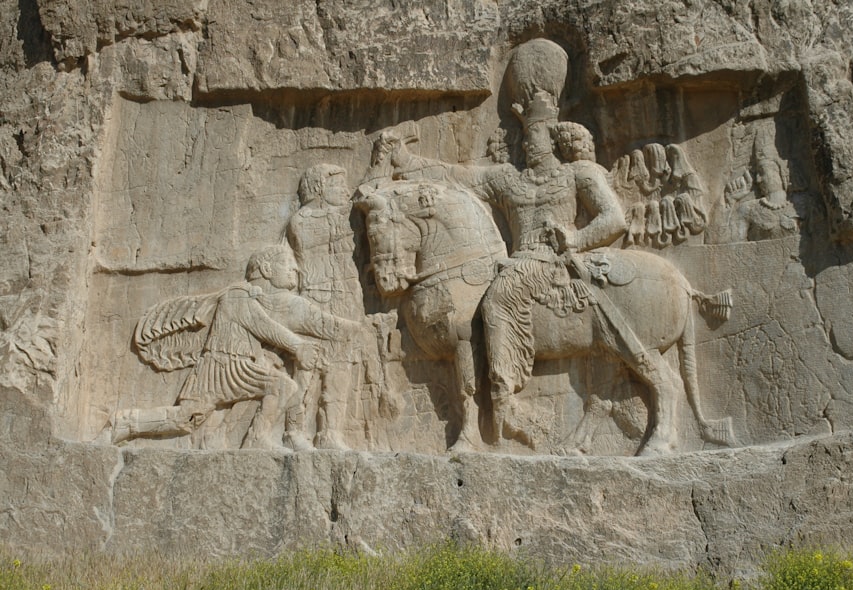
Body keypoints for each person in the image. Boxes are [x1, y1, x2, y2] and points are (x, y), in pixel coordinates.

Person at [379, 89, 627, 439]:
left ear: (554, 138)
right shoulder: (509, 179)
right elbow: (457, 176)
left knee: (497, 299)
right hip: (518, 261)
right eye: (525, 136)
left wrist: (575, 238)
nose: (528, 143)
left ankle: (504, 397)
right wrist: (406, 161)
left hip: (555, 262)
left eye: (535, 135)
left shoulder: (578, 174)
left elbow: (615, 219)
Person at [107, 245, 358, 449]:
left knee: (186, 417)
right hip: (226, 367)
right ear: (267, 268)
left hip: (232, 366)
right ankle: (257, 438)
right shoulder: (238, 294)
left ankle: (127, 423)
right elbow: (263, 326)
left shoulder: (254, 297)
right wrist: (297, 346)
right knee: (281, 387)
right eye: (288, 264)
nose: (295, 269)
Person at [283, 164, 366, 449]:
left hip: (346, 298)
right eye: (337, 185)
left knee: (341, 367)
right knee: (306, 367)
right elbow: (328, 232)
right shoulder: (302, 220)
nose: (345, 191)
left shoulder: (341, 215)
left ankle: (330, 432)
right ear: (319, 187)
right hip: (315, 299)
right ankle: (293, 430)